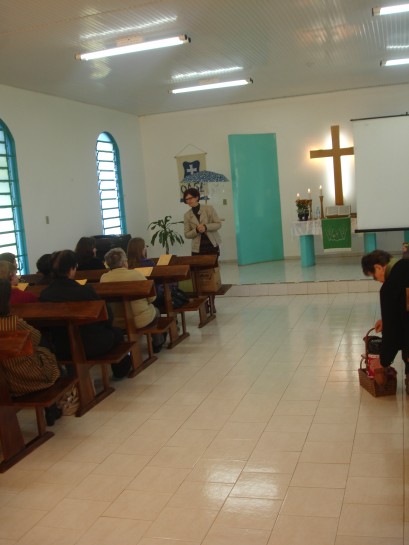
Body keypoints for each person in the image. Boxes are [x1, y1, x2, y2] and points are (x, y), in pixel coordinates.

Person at [39, 250, 131, 379]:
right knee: (117, 333)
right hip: (91, 344)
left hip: (61, 347)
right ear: (72, 269)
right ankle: (121, 371)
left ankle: (73, 376)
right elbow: (107, 316)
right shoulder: (84, 291)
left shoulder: (45, 294)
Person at [0, 279, 61, 424]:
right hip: (23, 379)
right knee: (48, 357)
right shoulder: (14, 323)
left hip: (4, 380)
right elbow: (36, 337)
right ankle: (53, 409)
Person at [361, 249, 409, 391]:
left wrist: (383, 360)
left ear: (378, 267)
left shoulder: (388, 287)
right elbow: (403, 308)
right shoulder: (405, 264)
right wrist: (387, 318)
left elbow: (392, 331)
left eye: (374, 277)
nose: (378, 281)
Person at [101, 247, 165, 352]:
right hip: (139, 320)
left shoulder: (104, 278)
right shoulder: (135, 274)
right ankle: (157, 343)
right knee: (156, 311)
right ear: (124, 262)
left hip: (118, 321)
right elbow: (152, 297)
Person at [183, 188, 221, 256]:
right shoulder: (187, 215)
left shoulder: (209, 208)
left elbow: (218, 224)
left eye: (190, 198)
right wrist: (196, 230)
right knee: (197, 266)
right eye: (187, 199)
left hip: (212, 245)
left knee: (213, 266)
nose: (188, 201)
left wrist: (206, 227)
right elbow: (186, 234)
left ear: (197, 197)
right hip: (197, 249)